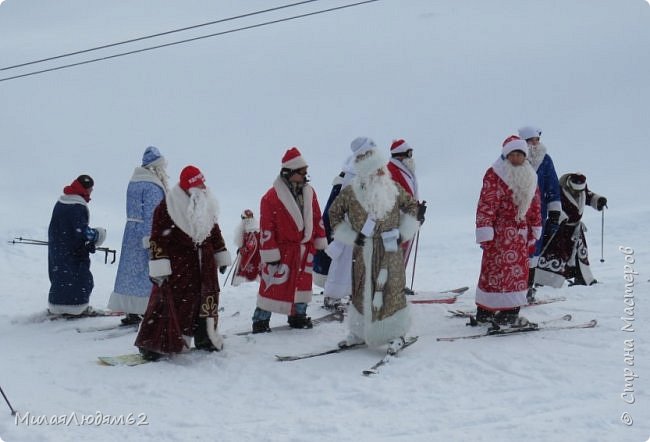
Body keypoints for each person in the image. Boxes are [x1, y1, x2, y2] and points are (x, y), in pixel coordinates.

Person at [328, 140, 419, 353]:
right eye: (375, 169)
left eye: (381, 168)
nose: (381, 172)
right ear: (365, 172)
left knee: (391, 291)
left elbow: (412, 207)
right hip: (364, 250)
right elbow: (334, 214)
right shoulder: (350, 192)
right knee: (361, 290)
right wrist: (351, 236)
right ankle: (359, 332)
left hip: (390, 250)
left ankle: (396, 334)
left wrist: (403, 233)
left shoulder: (394, 188)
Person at [135, 165, 232, 361]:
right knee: (170, 305)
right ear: (188, 187)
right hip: (180, 267)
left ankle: (206, 338)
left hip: (205, 266)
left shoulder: (206, 204)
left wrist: (220, 254)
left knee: (206, 303)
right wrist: (160, 266)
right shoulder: (166, 207)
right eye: (199, 185)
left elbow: (214, 232)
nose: (203, 189)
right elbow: (157, 239)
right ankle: (154, 345)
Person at [252, 147, 327, 333]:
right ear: (290, 172)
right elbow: (266, 227)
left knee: (302, 284)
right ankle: (260, 320)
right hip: (282, 250)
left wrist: (319, 240)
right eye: (302, 172)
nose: (305, 176)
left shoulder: (310, 192)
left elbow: (317, 217)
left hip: (304, 248)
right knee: (271, 284)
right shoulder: (271, 197)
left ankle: (298, 316)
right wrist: (270, 253)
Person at [474, 136, 542, 325]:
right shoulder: (495, 174)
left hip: (520, 234)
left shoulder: (530, 176)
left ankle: (510, 311)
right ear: (506, 155)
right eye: (512, 154)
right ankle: (487, 311)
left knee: (517, 273)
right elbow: (486, 204)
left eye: (520, 154)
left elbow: (535, 204)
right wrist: (485, 231)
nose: (516, 158)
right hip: (499, 234)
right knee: (493, 272)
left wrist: (535, 227)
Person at [108, 146, 168, 325]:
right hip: (146, 234)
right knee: (145, 273)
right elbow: (152, 214)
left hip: (131, 232)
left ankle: (130, 309)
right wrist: (151, 240)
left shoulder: (134, 182)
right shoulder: (152, 186)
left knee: (129, 272)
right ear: (156, 167)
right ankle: (144, 308)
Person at [313, 137, 370, 310]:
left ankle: (355, 293)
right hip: (347, 228)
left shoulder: (361, 173)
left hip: (361, 227)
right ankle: (332, 297)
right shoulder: (351, 175)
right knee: (341, 265)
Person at [48, 174, 106, 316]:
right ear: (86, 189)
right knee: (79, 278)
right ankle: (76, 309)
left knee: (60, 277)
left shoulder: (61, 202)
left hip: (57, 249)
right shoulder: (77, 206)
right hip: (73, 252)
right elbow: (82, 232)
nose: (91, 192)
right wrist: (98, 234)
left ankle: (58, 306)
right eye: (91, 189)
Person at [535, 173, 607, 287]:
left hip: (575, 229)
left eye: (580, 190)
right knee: (555, 254)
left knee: (580, 253)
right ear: (569, 184)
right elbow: (552, 202)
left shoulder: (583, 189)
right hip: (559, 228)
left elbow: (589, 196)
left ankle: (582, 278)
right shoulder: (558, 189)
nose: (578, 192)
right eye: (575, 190)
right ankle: (543, 280)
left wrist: (598, 201)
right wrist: (559, 215)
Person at [518, 126, 561, 301]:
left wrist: (555, 210)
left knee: (534, 251)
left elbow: (552, 185)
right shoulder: (516, 159)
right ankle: (513, 287)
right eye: (530, 141)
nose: (535, 144)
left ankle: (529, 288)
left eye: (537, 140)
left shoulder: (546, 160)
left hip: (538, 213)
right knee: (517, 250)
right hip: (518, 214)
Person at [387, 139, 426, 295]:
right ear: (401, 155)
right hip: (396, 218)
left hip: (408, 217)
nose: (411, 158)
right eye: (409, 154)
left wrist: (418, 211)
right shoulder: (390, 171)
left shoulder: (407, 171)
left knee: (403, 251)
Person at [231, 209, 262, 286]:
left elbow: (251, 246)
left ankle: (244, 282)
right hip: (248, 255)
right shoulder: (248, 230)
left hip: (252, 259)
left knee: (248, 271)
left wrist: (243, 250)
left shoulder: (253, 232)